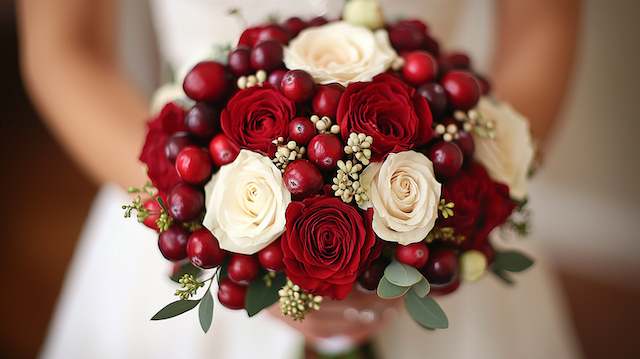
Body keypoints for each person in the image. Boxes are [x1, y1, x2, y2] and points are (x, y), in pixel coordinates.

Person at [18, 0, 581, 358]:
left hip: (447, 211)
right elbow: (65, 49)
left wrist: (443, 217)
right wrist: (191, 210)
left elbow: (543, 25)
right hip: (194, 219)